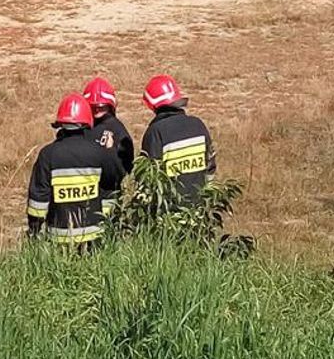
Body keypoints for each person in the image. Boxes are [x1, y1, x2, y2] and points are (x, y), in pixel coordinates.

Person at [26, 93, 125, 245]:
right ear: (87, 122)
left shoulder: (48, 155)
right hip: (94, 236)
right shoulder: (99, 153)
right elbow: (111, 188)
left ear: (60, 124)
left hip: (58, 238)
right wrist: (107, 221)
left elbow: (38, 199)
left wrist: (34, 230)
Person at [139, 74, 215, 204]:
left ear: (153, 105)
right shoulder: (198, 125)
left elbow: (149, 177)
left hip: (170, 215)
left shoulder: (155, 132)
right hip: (200, 209)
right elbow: (210, 167)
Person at [85, 76, 135, 174]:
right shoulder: (86, 128)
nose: (97, 109)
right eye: (93, 106)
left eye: (101, 106)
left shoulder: (117, 130)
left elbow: (126, 166)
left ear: (110, 106)